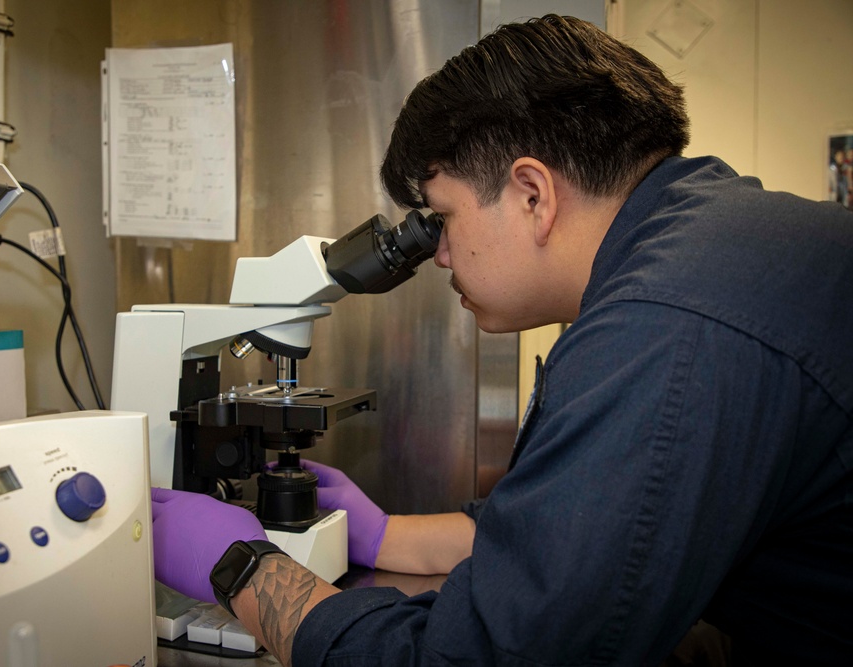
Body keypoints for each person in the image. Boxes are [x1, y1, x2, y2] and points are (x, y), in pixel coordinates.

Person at [150, 14, 853, 666]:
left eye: (443, 219)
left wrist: (241, 566)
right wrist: (388, 535)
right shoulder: (708, 246)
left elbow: (481, 657)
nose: (442, 257)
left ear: (532, 194)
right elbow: (577, 533)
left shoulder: (666, 323)